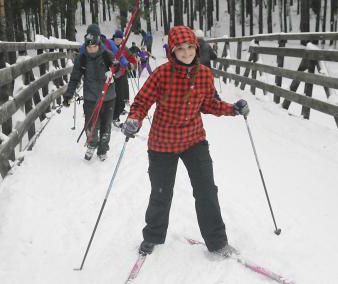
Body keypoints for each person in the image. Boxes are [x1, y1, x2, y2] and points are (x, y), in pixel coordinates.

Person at [121, 26, 250, 257]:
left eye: (190, 47)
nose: (186, 52)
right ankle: (152, 237)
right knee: (161, 193)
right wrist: (134, 119)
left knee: (207, 191)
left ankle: (218, 242)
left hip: (193, 139)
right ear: (172, 51)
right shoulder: (161, 74)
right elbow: (141, 102)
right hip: (163, 143)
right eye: (180, 49)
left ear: (197, 48)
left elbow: (209, 104)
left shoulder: (204, 74)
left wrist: (233, 109)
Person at [63, 24, 116, 161]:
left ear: (99, 43)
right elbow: (75, 78)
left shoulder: (107, 55)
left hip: (108, 97)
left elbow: (120, 69)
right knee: (91, 125)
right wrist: (69, 94)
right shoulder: (82, 58)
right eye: (89, 47)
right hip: (91, 98)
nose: (92, 50)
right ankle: (92, 144)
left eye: (94, 47)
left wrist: (115, 72)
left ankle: (103, 149)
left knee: (106, 127)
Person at [111, 30, 136, 127]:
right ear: (114, 38)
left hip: (121, 75)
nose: (118, 41)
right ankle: (111, 117)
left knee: (121, 98)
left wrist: (132, 64)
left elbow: (131, 59)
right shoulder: (110, 46)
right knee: (112, 98)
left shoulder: (124, 48)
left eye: (120, 39)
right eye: (116, 39)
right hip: (111, 76)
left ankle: (115, 116)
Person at [195, 29, 221, 101]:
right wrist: (213, 50)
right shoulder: (207, 46)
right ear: (203, 37)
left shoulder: (192, 47)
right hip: (207, 69)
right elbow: (214, 57)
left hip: (196, 70)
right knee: (210, 85)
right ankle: (217, 99)